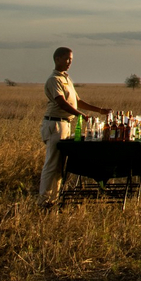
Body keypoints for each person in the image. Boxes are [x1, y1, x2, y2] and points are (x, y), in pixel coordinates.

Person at [40, 47, 111, 206]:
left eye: (71, 60)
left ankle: (54, 199)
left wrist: (99, 110)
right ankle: (43, 200)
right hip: (55, 124)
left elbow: (77, 101)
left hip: (65, 124)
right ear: (57, 59)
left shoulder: (66, 78)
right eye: (66, 59)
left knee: (59, 167)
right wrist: (82, 116)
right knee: (51, 165)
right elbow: (61, 103)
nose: (69, 63)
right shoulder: (54, 80)